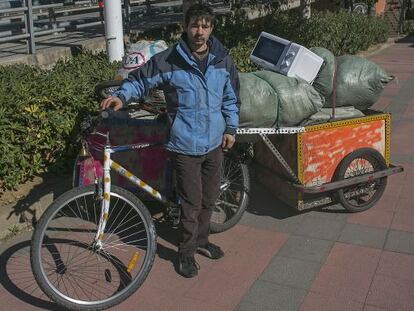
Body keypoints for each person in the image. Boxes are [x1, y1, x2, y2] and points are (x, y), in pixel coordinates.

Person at [101, 3, 240, 278]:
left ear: (211, 28)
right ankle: (185, 253)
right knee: (191, 203)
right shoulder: (169, 60)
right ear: (185, 27)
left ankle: (201, 241)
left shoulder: (223, 60)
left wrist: (231, 128)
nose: (199, 32)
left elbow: (231, 97)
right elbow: (140, 81)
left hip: (214, 143)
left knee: (210, 199)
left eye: (205, 26)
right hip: (185, 145)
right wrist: (121, 95)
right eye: (194, 25)